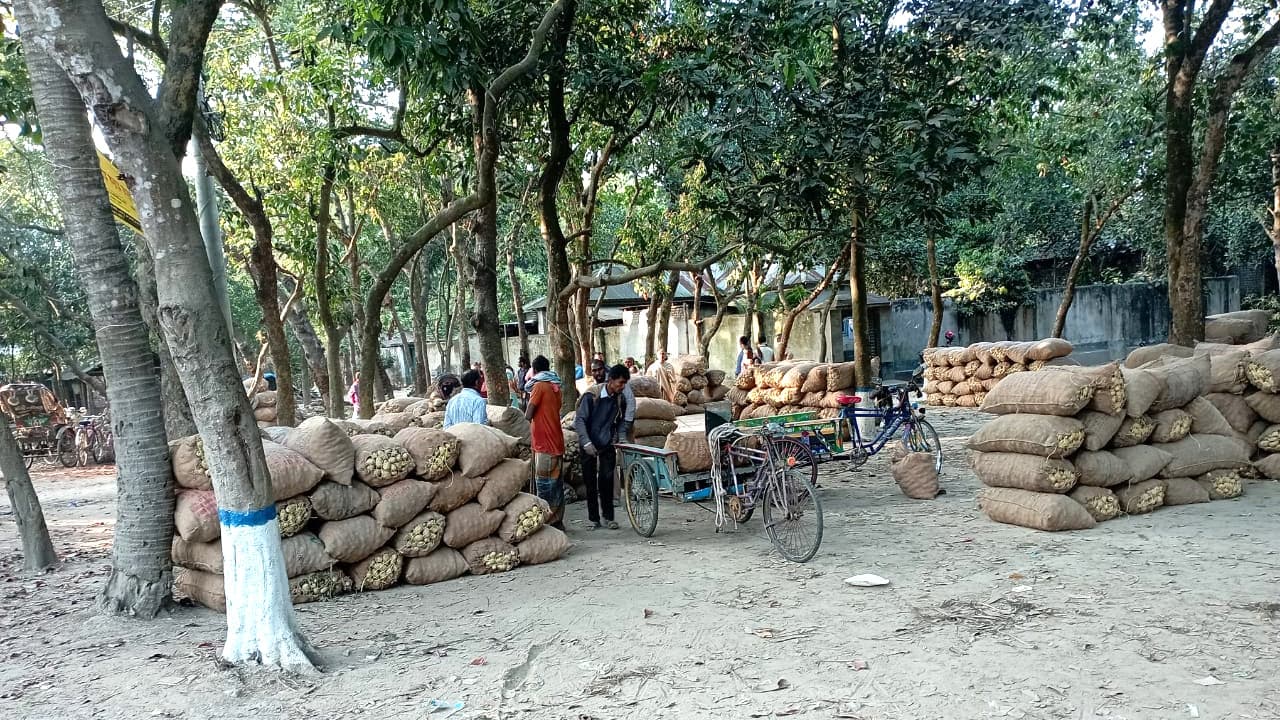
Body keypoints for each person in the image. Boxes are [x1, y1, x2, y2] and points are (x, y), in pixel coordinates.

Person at [573, 364, 630, 530]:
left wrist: (620, 438)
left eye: (625, 383)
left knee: (606, 480)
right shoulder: (591, 396)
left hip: (606, 443)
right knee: (590, 483)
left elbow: (620, 422)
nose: (623, 386)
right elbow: (580, 420)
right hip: (588, 442)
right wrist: (586, 443)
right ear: (610, 380)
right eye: (620, 383)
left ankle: (608, 517)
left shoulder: (621, 399)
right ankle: (593, 519)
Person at [524, 356, 566, 529]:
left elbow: (529, 413)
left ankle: (547, 522)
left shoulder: (539, 386)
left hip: (544, 443)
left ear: (534, 370)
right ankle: (557, 520)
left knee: (544, 484)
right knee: (556, 483)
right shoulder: (555, 386)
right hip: (555, 440)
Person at [592, 359, 634, 440]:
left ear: (604, 369)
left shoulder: (618, 383)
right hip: (607, 426)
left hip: (623, 421)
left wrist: (627, 422)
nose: (597, 373)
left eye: (600, 369)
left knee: (624, 444)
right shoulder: (594, 389)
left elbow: (630, 400)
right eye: (594, 370)